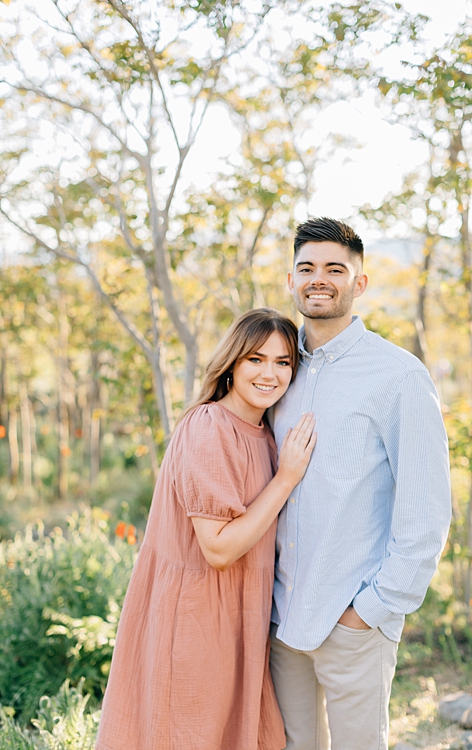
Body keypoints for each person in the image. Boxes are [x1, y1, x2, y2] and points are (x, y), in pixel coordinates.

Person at [268, 217, 452, 750]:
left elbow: (427, 516)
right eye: (307, 268)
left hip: (351, 620)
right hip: (281, 617)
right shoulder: (276, 369)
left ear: (360, 283)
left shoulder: (399, 377)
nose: (318, 279)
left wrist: (369, 612)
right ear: (291, 280)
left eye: (334, 269)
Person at [96, 308, 317, 750]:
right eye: (255, 359)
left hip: (241, 618)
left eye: (283, 362)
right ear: (232, 365)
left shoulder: (265, 434)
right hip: (196, 620)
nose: (269, 373)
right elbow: (217, 548)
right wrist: (287, 478)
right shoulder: (208, 427)